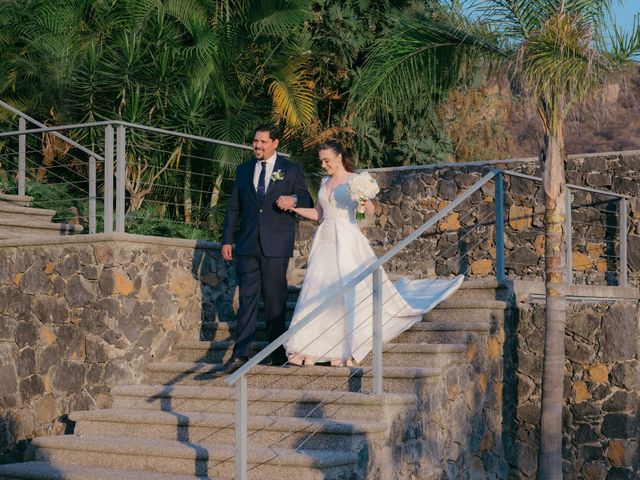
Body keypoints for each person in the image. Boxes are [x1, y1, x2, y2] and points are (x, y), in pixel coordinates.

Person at [278, 139, 464, 367]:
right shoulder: (324, 182)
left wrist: (364, 200)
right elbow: (319, 214)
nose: (324, 165)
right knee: (320, 290)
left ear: (338, 158)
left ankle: (345, 348)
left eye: (327, 161)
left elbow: (371, 210)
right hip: (325, 241)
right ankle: (311, 347)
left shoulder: (355, 180)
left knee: (347, 291)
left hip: (347, 239)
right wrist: (293, 208)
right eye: (321, 161)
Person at [219, 124, 312, 374]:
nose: (257, 146)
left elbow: (306, 200)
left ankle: (276, 350)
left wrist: (292, 200)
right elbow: (234, 209)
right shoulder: (243, 170)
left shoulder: (291, 170)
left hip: (276, 245)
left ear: (275, 143)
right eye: (255, 142)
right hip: (247, 244)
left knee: (274, 298)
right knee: (248, 298)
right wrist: (227, 239)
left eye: (262, 142)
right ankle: (241, 353)